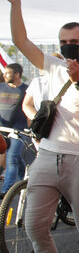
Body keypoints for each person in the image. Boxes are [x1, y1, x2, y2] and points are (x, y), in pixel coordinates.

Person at [6, 0, 79, 253]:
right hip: (46, 155)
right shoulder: (52, 65)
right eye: (63, 42)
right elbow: (21, 42)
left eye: (73, 42)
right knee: (33, 226)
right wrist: (15, 3)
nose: (67, 47)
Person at [0, 63, 28, 196]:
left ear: (17, 74)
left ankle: (6, 191)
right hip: (2, 130)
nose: (4, 75)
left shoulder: (26, 90)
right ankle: (26, 180)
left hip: (19, 131)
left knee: (12, 158)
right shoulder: (0, 88)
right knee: (17, 159)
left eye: (8, 73)